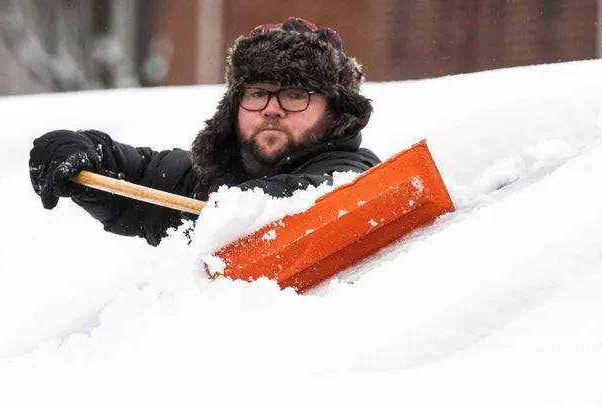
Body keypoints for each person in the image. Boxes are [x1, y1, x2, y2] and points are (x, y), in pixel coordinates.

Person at [29, 17, 381, 246]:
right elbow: (133, 178)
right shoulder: (207, 181)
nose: (272, 108)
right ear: (234, 106)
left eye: (295, 94)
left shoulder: (355, 177)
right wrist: (78, 151)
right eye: (257, 93)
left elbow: (300, 200)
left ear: (336, 111)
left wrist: (219, 207)